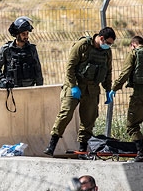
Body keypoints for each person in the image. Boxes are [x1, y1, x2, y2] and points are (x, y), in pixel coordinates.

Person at [44, 27, 116, 157]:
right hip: (76, 85)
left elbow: (108, 71)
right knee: (65, 114)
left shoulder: (107, 52)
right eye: (108, 43)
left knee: (89, 119)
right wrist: (73, 86)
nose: (109, 46)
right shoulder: (82, 46)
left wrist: (108, 90)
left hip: (92, 88)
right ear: (101, 38)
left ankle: (82, 149)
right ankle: (52, 144)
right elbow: (70, 67)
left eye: (111, 44)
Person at [0, 16, 43, 89]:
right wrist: (3, 81)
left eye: (27, 33)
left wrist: (39, 88)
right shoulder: (7, 50)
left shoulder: (32, 49)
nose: (26, 36)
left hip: (29, 88)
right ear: (17, 34)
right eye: (23, 34)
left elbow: (38, 70)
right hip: (12, 90)